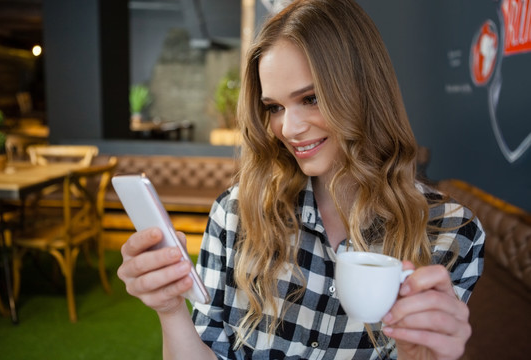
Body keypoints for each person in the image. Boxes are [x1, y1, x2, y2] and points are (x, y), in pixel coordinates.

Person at [117, 0, 485, 359]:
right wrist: (170, 310)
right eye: (274, 107)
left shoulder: (451, 233)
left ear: (364, 89)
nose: (287, 129)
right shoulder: (235, 212)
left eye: (310, 98)